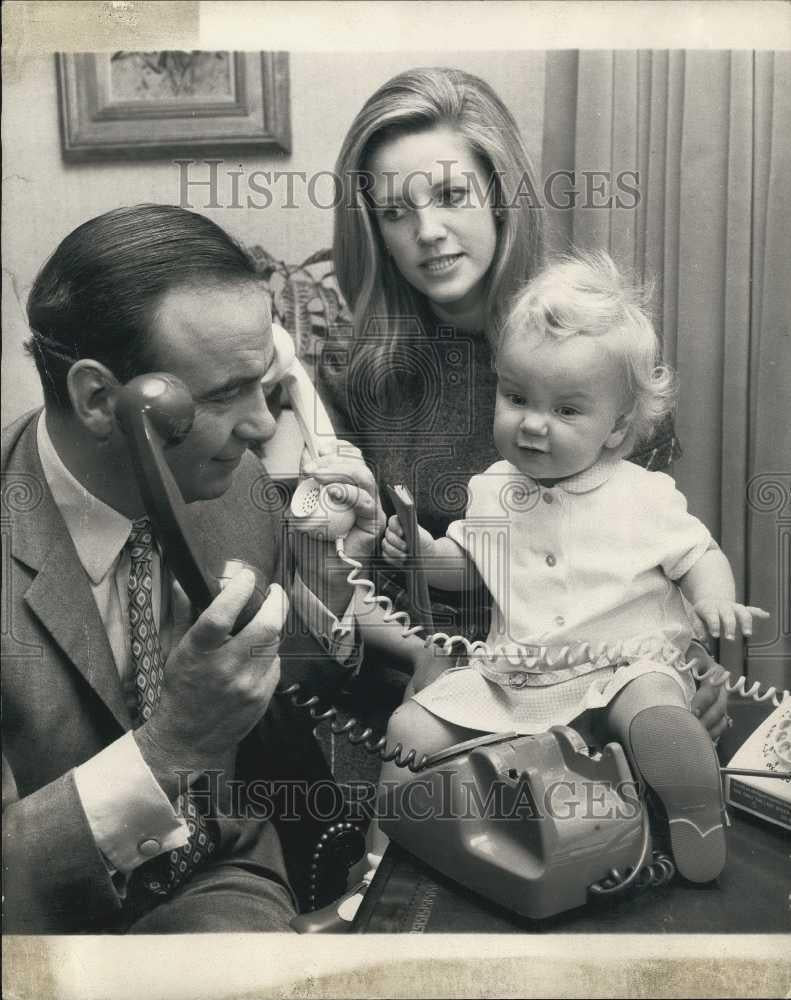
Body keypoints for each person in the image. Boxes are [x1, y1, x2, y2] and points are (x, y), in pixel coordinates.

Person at [1, 204, 383, 933]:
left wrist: (327, 577)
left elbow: (267, 703)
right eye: (221, 394)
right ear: (97, 399)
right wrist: (172, 743)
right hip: (51, 929)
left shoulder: (230, 483)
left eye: (262, 383)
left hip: (226, 874)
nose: (265, 427)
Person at [315, 66, 729, 738]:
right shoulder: (351, 369)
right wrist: (420, 655)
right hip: (426, 688)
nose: (427, 231)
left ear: (501, 196)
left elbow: (655, 550)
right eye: (396, 211)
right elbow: (328, 575)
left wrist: (688, 658)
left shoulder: (592, 350)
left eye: (452, 194)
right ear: (374, 229)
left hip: (597, 679)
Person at [381, 250, 768, 882]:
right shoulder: (491, 490)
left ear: (616, 431)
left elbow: (700, 554)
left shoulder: (641, 495)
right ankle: (383, 860)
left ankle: (691, 804)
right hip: (522, 672)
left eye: (565, 410)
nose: (532, 424)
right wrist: (423, 556)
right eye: (516, 396)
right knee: (410, 726)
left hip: (622, 662)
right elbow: (471, 568)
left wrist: (714, 599)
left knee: (650, 703)